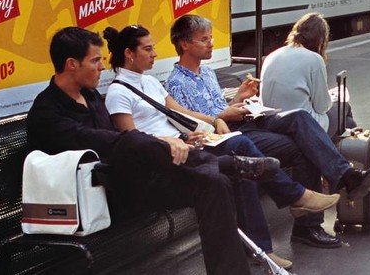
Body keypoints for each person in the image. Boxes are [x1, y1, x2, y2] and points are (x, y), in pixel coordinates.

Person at [26, 26, 286, 275]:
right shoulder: (46, 112)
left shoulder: (91, 96)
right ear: (72, 64)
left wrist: (174, 139)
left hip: (128, 181)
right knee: (132, 140)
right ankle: (226, 163)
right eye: (95, 61)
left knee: (213, 183)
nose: (102, 67)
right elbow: (102, 140)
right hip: (95, 200)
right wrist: (162, 142)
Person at [103, 24, 341, 269]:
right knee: (241, 148)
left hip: (189, 142)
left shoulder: (150, 83)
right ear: (129, 54)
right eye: (148, 49)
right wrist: (178, 138)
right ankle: (295, 197)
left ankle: (269, 242)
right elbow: (131, 141)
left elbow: (182, 114)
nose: (154, 54)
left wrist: (210, 123)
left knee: (247, 165)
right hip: (165, 157)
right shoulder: (118, 93)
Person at [165, 14, 370, 249]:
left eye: (210, 38)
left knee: (300, 118)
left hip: (245, 120)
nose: (211, 43)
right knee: (303, 144)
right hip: (228, 136)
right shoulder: (176, 83)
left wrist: (240, 98)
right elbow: (193, 124)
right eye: (204, 40)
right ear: (184, 44)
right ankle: (311, 222)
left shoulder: (207, 73)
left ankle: (344, 178)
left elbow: (220, 108)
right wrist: (223, 116)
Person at [260, 12, 356, 140]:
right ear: (321, 39)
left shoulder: (272, 55)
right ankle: (357, 149)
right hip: (303, 127)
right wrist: (333, 98)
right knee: (344, 106)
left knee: (347, 123)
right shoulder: (314, 60)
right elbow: (322, 107)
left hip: (272, 123)